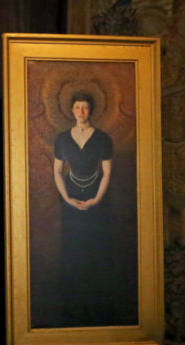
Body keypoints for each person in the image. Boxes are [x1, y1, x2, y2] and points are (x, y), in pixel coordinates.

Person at [52, 91, 115, 326]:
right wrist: (67, 197)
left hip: (97, 196)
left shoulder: (103, 139)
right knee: (72, 249)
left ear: (91, 110)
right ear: (71, 110)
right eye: (77, 107)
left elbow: (108, 172)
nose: (81, 112)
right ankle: (72, 308)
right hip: (70, 196)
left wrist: (97, 199)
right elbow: (57, 171)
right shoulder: (62, 139)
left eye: (85, 108)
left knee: (95, 248)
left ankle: (98, 307)